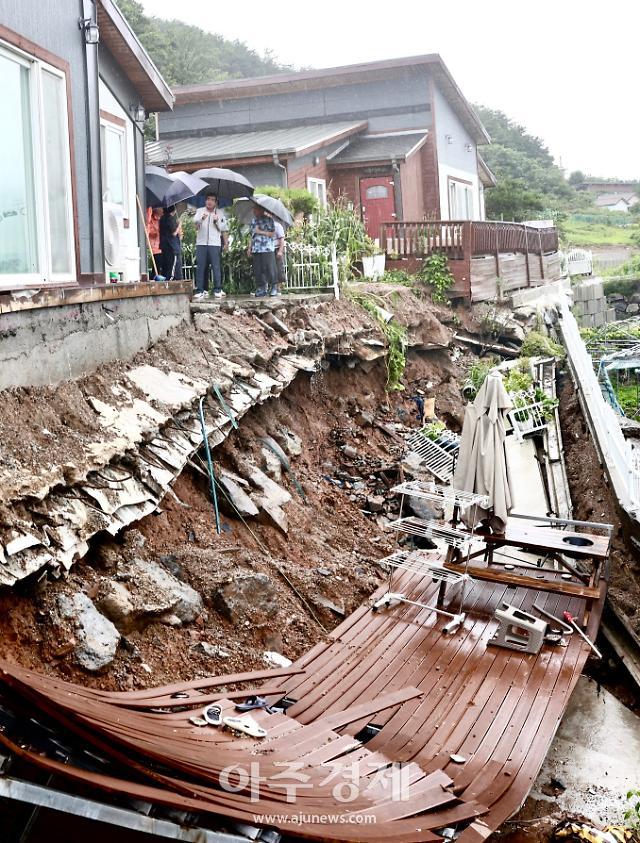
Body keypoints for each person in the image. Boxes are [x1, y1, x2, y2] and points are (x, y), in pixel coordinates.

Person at [193, 192, 228, 300]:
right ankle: (200, 290)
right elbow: (195, 225)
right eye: (208, 199)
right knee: (201, 267)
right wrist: (201, 219)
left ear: (216, 202)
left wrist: (217, 221)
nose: (209, 201)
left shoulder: (220, 213)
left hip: (214, 243)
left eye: (212, 200)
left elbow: (223, 228)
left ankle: (217, 289)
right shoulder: (200, 211)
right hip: (201, 243)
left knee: (216, 266)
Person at [247, 205, 276, 298]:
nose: (254, 211)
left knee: (269, 268)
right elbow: (251, 236)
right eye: (253, 209)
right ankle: (262, 287)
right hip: (256, 248)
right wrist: (249, 248)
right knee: (258, 269)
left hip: (267, 248)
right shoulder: (253, 221)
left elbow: (272, 234)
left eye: (256, 209)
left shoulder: (269, 220)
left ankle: (273, 286)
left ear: (261, 210)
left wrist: (260, 232)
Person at [159, 205, 183, 281]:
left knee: (166, 266)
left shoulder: (161, 219)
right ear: (173, 210)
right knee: (174, 266)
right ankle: (171, 279)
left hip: (164, 245)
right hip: (172, 246)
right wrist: (179, 225)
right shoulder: (170, 219)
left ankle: (167, 279)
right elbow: (174, 233)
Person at [146, 206, 163, 278]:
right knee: (156, 264)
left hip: (161, 246)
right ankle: (154, 276)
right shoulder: (150, 220)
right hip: (154, 247)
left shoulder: (161, 220)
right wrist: (155, 232)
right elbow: (148, 231)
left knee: (161, 265)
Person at [272, 218, 286, 296]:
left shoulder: (277, 225)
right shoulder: (265, 226)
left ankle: (279, 288)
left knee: (279, 268)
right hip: (269, 249)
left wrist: (280, 251)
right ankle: (272, 287)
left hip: (277, 248)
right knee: (270, 269)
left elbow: (282, 239)